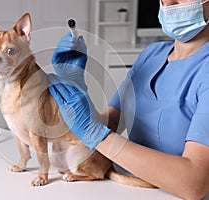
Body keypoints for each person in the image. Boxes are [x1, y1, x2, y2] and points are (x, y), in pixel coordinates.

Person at [47, 0, 209, 199]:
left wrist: (95, 134)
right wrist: (76, 84)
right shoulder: (152, 54)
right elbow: (110, 122)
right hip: (130, 188)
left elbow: (194, 183)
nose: (167, 2)